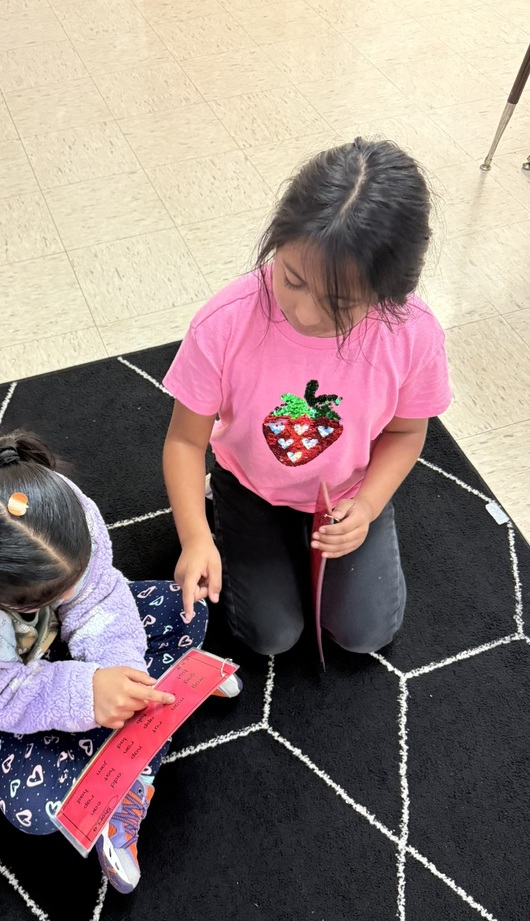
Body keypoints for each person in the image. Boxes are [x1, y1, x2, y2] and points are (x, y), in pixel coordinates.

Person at [0, 431, 238, 893]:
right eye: (52, 593)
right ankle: (136, 765)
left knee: (186, 607)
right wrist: (85, 694)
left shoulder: (53, 508)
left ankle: (130, 751)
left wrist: (117, 671)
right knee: (36, 809)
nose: (68, 594)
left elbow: (99, 594)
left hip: (43, 644)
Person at [162, 138, 452, 658]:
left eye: (340, 303)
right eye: (292, 279)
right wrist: (195, 537)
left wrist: (366, 506)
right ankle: (224, 502)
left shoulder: (413, 334)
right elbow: (185, 440)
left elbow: (407, 433)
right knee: (270, 636)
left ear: (391, 293)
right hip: (251, 483)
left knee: (367, 634)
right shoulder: (225, 322)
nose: (307, 314)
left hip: (346, 493)